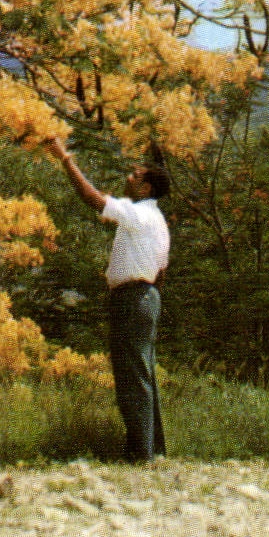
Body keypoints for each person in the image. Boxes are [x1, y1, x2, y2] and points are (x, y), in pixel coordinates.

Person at [45, 135, 169, 462]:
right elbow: (161, 270)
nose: (128, 178)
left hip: (133, 298)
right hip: (148, 296)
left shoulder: (137, 213)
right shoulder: (158, 221)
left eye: (135, 176)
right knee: (144, 373)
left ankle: (140, 454)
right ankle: (151, 449)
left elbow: (92, 198)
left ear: (145, 189)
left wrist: (65, 159)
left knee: (132, 375)